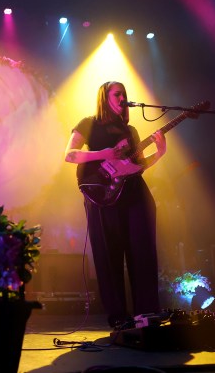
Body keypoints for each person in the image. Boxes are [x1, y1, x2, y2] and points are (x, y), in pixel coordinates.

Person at [64, 81, 167, 329]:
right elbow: (70, 155)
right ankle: (118, 315)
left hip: (134, 191)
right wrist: (105, 154)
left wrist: (160, 153)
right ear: (104, 97)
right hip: (102, 192)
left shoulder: (130, 130)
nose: (123, 97)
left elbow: (137, 165)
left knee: (143, 250)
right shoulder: (88, 123)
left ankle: (147, 312)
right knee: (109, 254)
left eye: (124, 94)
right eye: (117, 93)